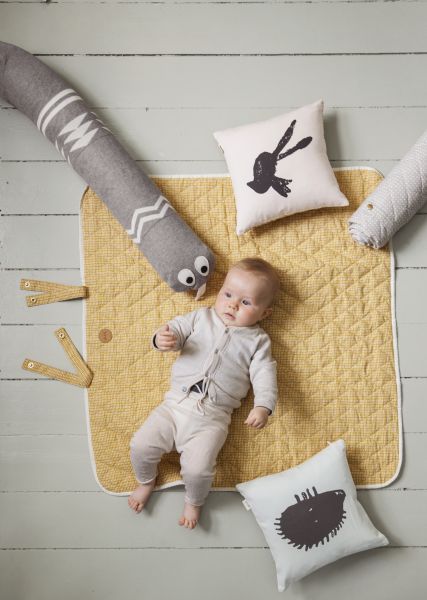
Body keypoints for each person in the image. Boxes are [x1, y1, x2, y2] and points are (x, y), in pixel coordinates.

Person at [128, 257, 280, 528]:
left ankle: (194, 501)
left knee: (199, 471)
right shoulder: (201, 317)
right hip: (174, 407)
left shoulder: (258, 342)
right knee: (140, 445)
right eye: (228, 294)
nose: (232, 304)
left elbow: (264, 373)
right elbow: (176, 328)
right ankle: (146, 480)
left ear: (264, 313)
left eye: (246, 302)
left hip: (212, 419)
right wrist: (162, 338)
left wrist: (263, 406)